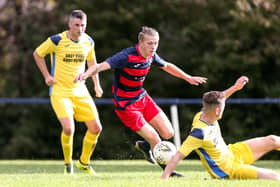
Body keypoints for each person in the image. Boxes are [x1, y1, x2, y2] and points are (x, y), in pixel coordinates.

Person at [74, 26, 207, 176]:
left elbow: (167, 66)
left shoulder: (152, 55)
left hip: (142, 97)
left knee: (169, 133)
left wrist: (188, 77)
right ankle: (168, 172)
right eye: (150, 43)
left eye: (156, 43)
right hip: (126, 104)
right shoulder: (126, 56)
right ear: (140, 43)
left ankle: (145, 146)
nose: (153, 47)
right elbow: (100, 66)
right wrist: (85, 75)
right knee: (155, 138)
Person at [161, 76, 280, 180]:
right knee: (274, 176)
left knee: (273, 140)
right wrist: (164, 178)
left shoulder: (203, 114)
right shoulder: (199, 133)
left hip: (231, 152)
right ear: (217, 110)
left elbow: (221, 98)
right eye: (223, 107)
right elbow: (177, 156)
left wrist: (235, 87)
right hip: (228, 170)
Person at [33, 10, 103, 175]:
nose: (80, 29)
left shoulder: (88, 41)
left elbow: (93, 63)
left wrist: (96, 85)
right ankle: (68, 165)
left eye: (83, 25)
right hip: (60, 91)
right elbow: (37, 54)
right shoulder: (56, 40)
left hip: (81, 90)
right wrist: (47, 76)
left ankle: (84, 163)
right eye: (76, 25)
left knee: (96, 128)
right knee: (69, 128)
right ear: (69, 24)